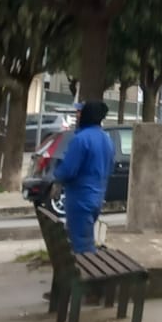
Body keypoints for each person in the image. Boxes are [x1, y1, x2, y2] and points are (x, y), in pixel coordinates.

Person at [53, 101, 114, 255]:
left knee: (82, 247)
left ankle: (86, 276)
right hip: (97, 197)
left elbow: (69, 169)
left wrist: (57, 180)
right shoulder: (106, 139)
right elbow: (110, 167)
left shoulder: (81, 139)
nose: (77, 117)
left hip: (80, 199)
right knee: (85, 239)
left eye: (79, 113)